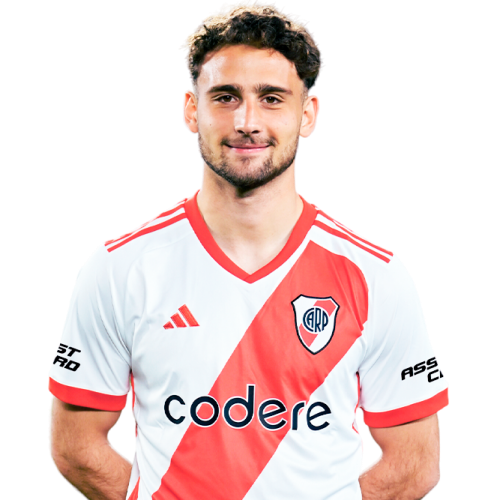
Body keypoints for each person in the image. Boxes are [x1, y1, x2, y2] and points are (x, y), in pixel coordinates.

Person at [47, 2, 450, 499]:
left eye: (272, 98)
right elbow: (76, 446)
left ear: (308, 114)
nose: (247, 121)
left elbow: (414, 464)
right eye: (225, 97)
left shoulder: (376, 276)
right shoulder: (120, 268)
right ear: (191, 109)